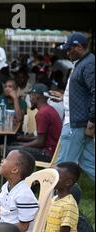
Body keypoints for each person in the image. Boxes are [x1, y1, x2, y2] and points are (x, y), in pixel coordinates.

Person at [54, 32, 95, 182]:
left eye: (69, 48)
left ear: (79, 47)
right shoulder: (84, 62)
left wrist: (92, 119)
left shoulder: (89, 63)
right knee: (90, 163)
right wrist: (63, 98)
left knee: (62, 167)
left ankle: (54, 201)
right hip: (78, 123)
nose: (67, 52)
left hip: (76, 124)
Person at [7, 83, 62, 162]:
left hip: (47, 153)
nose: (30, 99)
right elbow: (41, 138)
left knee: (10, 150)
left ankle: (19, 173)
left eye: (30, 96)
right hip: (51, 150)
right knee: (13, 145)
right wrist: (23, 139)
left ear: (36, 96)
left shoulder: (42, 113)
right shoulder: (48, 109)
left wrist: (23, 146)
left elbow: (40, 142)